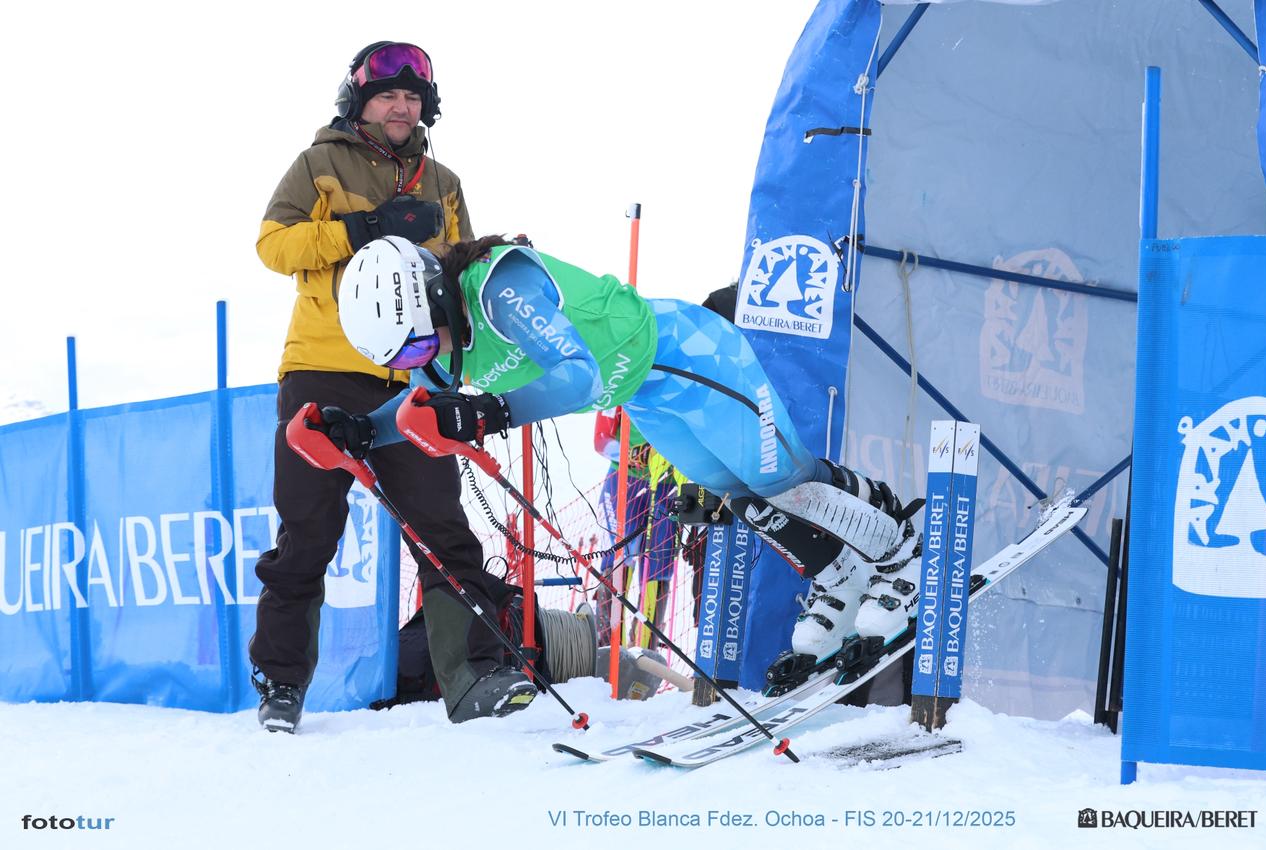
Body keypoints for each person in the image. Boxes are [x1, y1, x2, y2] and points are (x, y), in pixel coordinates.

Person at [326, 235, 924, 689]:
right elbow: (413, 406)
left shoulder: (496, 286)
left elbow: (579, 373)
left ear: (435, 294)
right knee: (739, 493)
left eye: (422, 341)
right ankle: (839, 577)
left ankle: (899, 546)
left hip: (690, 354)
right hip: (646, 393)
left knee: (781, 480)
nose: (425, 358)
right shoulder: (439, 351)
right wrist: (360, 431)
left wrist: (488, 413)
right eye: (406, 353)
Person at [250, 42, 533, 733]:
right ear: (361, 103)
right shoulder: (319, 163)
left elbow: (456, 271)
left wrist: (493, 258)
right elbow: (274, 245)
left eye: (412, 98)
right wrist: (363, 228)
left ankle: (474, 679)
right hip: (324, 367)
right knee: (309, 532)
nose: (401, 107)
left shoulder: (444, 178)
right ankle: (281, 687)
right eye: (387, 97)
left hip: (413, 375)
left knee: (442, 526)